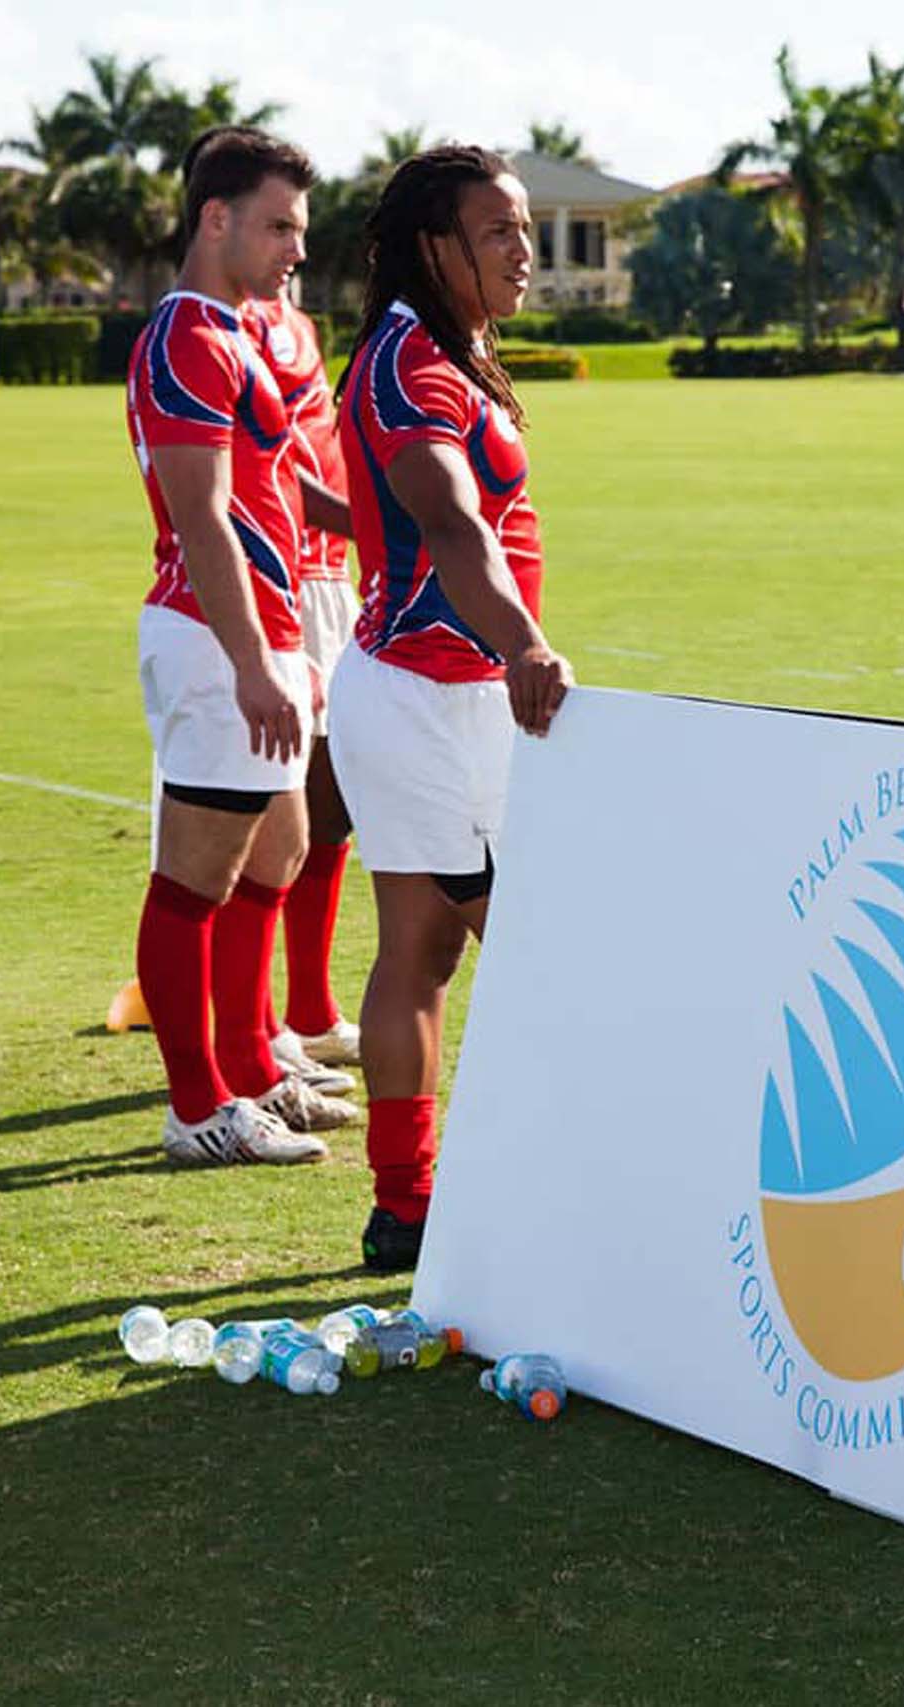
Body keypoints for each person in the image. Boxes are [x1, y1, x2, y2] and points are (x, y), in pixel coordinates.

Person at [332, 145, 572, 1269]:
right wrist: (523, 640)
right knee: (538, 952)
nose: (522, 250)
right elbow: (450, 523)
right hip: (444, 700)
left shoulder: (428, 350)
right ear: (436, 246)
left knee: (418, 954)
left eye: (525, 228)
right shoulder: (414, 365)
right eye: (497, 232)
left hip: (423, 692)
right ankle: (536, 1183)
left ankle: (406, 1208)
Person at [126, 128, 361, 1166]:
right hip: (215, 637)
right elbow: (204, 515)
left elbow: (276, 487)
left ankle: (255, 1068)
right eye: (278, 226)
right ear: (213, 219)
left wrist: (381, 531)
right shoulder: (185, 336)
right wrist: (257, 659)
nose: (294, 251)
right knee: (194, 880)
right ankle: (197, 1109)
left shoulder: (234, 332)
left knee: (282, 849)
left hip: (262, 633)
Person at [242, 287, 363, 1077]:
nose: (296, 251)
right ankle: (255, 1030)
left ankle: (310, 1010)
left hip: (333, 586)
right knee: (263, 827)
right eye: (279, 225)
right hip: (281, 587)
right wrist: (377, 521)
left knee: (330, 806)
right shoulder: (230, 325)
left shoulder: (300, 324)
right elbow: (271, 470)